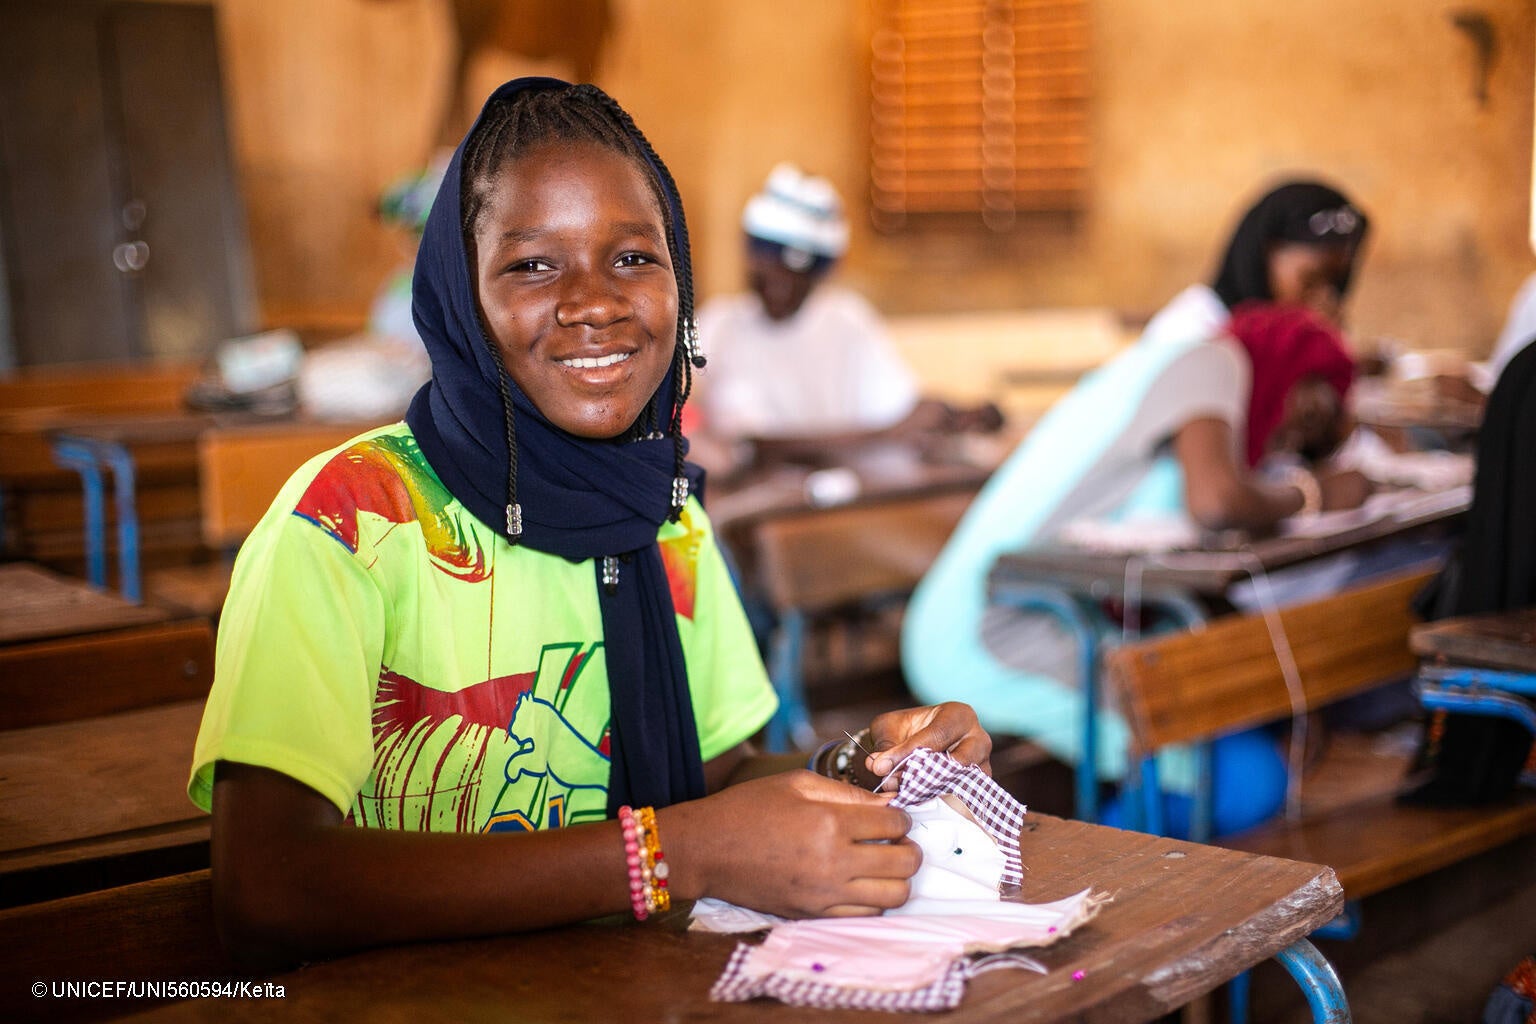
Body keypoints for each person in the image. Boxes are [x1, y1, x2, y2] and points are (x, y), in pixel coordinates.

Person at [189, 78, 992, 971]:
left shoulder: (667, 520)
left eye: (633, 258)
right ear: (462, 293)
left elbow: (714, 782)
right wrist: (668, 854)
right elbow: (267, 889)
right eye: (532, 265)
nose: (594, 303)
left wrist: (863, 761)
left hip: (634, 985)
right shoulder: (351, 521)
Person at [901, 179, 1375, 838]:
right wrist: (1318, 494)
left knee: (1254, 730)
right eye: (1310, 403)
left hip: (1061, 619)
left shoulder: (1217, 376)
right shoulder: (1215, 358)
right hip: (993, 629)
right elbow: (1216, 503)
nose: (1303, 431)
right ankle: (1106, 890)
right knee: (1245, 777)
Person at [694, 163, 995, 473]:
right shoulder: (717, 328)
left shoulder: (846, 319)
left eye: (795, 277)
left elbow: (898, 406)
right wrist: (885, 436)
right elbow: (747, 448)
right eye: (769, 273)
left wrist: (945, 415)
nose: (780, 288)